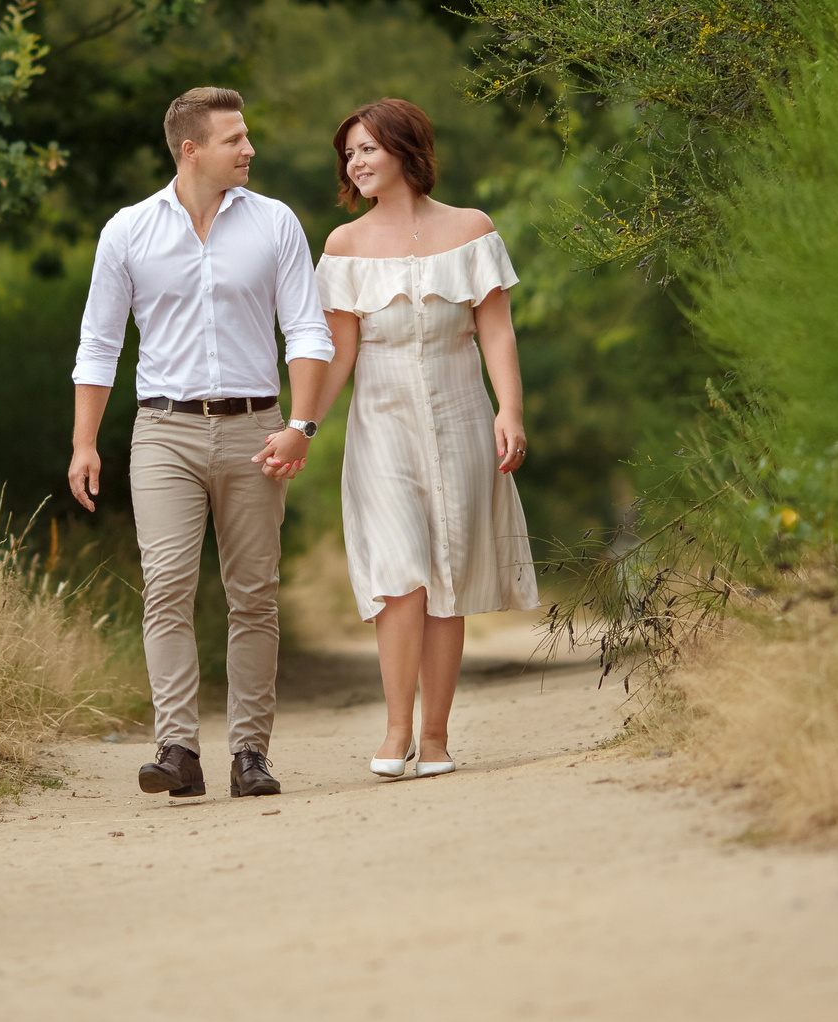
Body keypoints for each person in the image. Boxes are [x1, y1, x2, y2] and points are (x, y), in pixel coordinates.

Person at [69, 87, 332, 800]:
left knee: (254, 595)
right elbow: (100, 343)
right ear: (192, 149)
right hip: (163, 431)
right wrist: (84, 443)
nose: (250, 148)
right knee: (167, 589)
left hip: (257, 429)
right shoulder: (127, 231)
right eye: (235, 138)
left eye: (247, 137)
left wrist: (301, 425)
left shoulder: (276, 223)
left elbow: (308, 330)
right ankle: (177, 748)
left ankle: (251, 752)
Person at [298, 97, 537, 778]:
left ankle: (436, 737)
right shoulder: (343, 246)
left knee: (446, 575)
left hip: (463, 414)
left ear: (405, 147)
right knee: (399, 574)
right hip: (382, 428)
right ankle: (396, 726)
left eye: (367, 147)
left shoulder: (472, 228)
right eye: (349, 153)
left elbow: (496, 329)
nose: (357, 161)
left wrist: (510, 410)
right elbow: (337, 354)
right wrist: (303, 426)